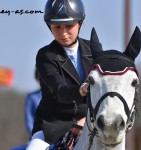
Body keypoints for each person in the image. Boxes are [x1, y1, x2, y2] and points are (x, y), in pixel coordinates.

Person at [26, 0, 92, 149]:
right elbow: (60, 90)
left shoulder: (94, 50)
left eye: (69, 26)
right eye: (57, 27)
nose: (63, 33)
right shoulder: (45, 55)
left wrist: (86, 120)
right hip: (53, 125)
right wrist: (81, 90)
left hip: (90, 122)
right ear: (50, 27)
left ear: (80, 23)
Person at [25, 70, 42, 137]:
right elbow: (29, 120)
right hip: (36, 136)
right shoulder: (32, 97)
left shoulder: (56, 96)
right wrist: (34, 135)